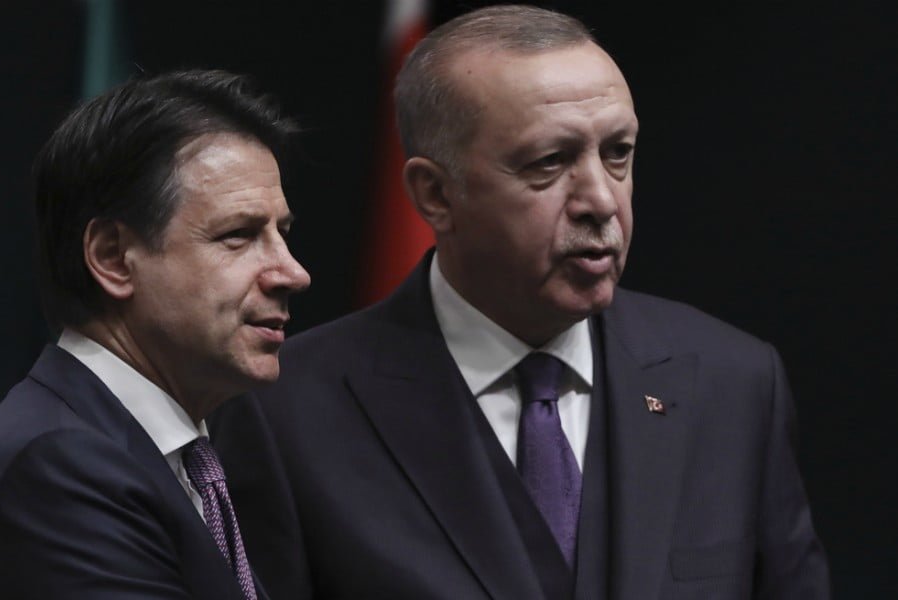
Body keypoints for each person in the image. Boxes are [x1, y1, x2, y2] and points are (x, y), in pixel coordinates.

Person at [210, 5, 829, 599]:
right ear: (435, 195)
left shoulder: (734, 384)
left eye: (618, 153)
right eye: (550, 162)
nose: (601, 200)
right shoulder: (284, 415)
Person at [0, 69, 310, 599]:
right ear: (113, 258)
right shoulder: (58, 471)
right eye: (239, 235)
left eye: (282, 233)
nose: (293, 273)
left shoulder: (165, 460)